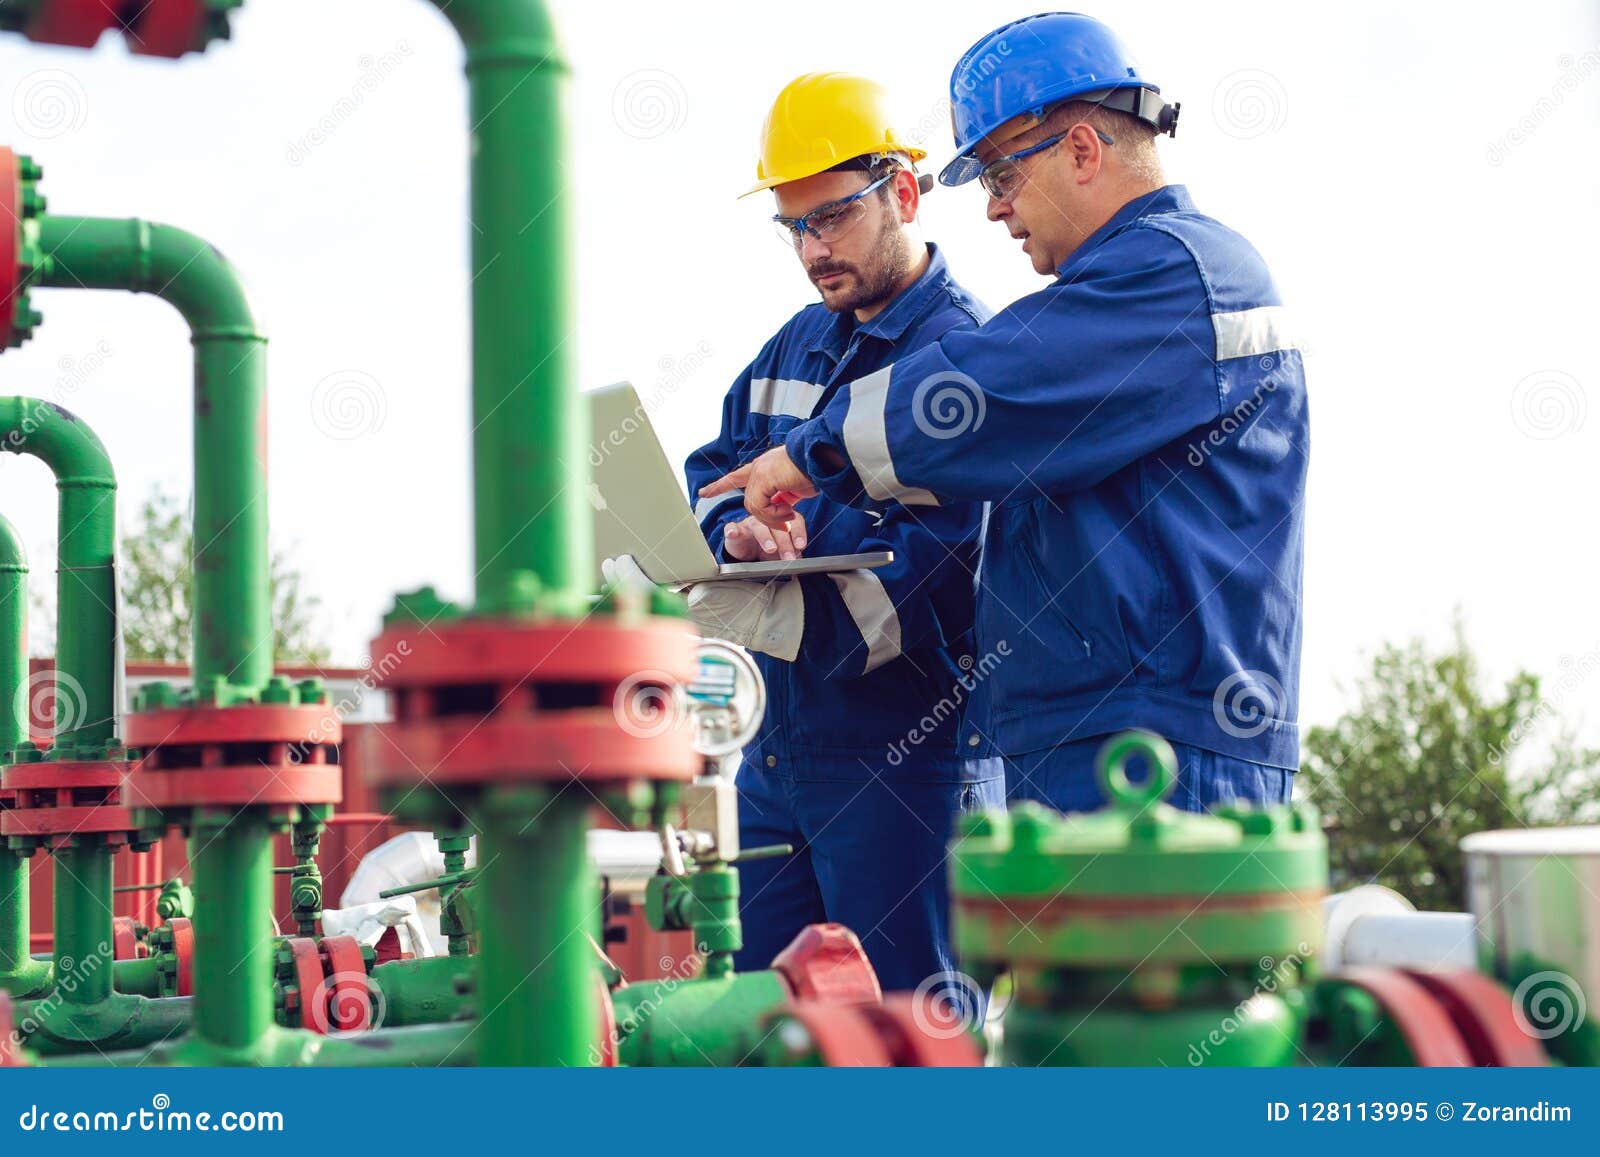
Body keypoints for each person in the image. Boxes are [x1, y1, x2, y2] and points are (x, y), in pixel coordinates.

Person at [697, 14, 1308, 816]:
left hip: (1163, 754)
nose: (992, 209)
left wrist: (807, 455)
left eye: (998, 175)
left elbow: (987, 392)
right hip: (1086, 742)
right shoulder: (1122, 290)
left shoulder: (1182, 274)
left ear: (1083, 152)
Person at [667, 72, 1004, 994]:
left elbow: (939, 572)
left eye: (833, 217)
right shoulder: (792, 347)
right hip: (774, 759)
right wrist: (735, 530)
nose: (813, 249)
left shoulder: (967, 356)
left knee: (911, 1040)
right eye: (793, 226)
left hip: (905, 764)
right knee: (752, 1032)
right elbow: (713, 478)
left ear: (904, 191)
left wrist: (788, 569)